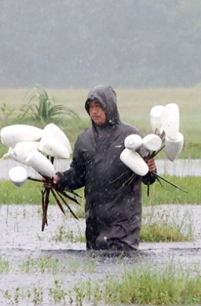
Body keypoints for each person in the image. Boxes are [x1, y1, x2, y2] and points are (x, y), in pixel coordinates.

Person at [46, 85, 156, 251]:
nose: (94, 111)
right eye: (91, 107)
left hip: (124, 219)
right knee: (96, 265)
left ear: (110, 107)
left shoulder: (131, 137)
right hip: (95, 219)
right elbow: (78, 175)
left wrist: (151, 170)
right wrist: (58, 179)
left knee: (121, 264)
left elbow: (148, 176)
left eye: (99, 106)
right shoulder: (84, 140)